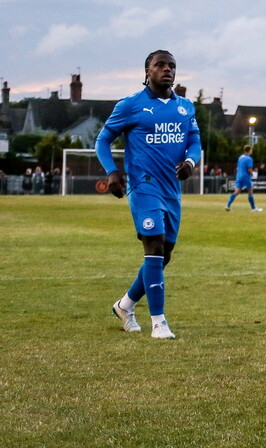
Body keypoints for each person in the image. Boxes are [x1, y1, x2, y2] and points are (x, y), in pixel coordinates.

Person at [95, 50, 200, 339]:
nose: (167, 70)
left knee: (163, 256)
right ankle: (159, 323)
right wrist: (112, 171)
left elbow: (195, 141)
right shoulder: (131, 105)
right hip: (143, 187)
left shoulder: (185, 108)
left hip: (171, 191)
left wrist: (191, 162)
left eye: (172, 66)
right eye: (160, 65)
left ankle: (125, 305)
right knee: (152, 249)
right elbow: (103, 140)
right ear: (147, 71)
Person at [227, 145, 262, 212]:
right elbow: (249, 169)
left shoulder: (240, 158)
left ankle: (228, 205)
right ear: (249, 150)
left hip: (239, 176)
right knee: (250, 191)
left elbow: (238, 168)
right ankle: (253, 208)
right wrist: (252, 174)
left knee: (236, 191)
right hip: (245, 176)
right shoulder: (249, 159)